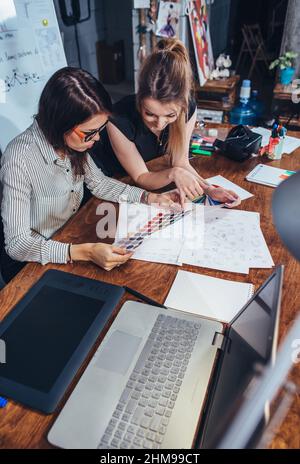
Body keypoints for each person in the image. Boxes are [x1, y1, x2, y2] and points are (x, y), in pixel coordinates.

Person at [0, 67, 179, 283]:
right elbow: (18, 244)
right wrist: (84, 252)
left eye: (100, 130)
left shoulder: (72, 143)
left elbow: (99, 183)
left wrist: (149, 198)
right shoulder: (19, 158)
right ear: (61, 123)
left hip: (70, 236)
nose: (96, 140)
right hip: (32, 263)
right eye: (89, 133)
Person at [93, 38, 241, 207]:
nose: (160, 124)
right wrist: (173, 173)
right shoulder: (118, 119)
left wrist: (209, 189)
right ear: (139, 99)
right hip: (111, 181)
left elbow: (181, 162)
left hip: (146, 181)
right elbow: (141, 177)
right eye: (150, 114)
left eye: (170, 115)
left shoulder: (188, 109)